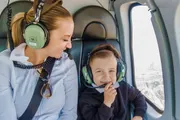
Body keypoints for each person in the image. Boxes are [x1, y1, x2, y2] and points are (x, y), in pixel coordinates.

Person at [0, 0, 78, 120]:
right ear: (39, 35)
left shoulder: (67, 64)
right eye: (64, 39)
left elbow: (69, 114)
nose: (69, 46)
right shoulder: (5, 63)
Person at [78, 44, 147, 120]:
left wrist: (138, 116)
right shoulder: (86, 99)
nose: (106, 77)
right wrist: (107, 103)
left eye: (111, 71)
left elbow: (139, 97)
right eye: (99, 71)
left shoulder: (123, 87)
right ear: (89, 74)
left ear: (118, 73)